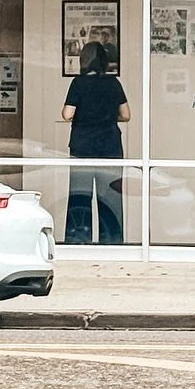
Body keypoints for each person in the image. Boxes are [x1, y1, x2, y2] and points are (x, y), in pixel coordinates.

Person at [61, 41, 129, 244]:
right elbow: (126, 115)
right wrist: (107, 116)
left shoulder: (79, 83)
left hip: (83, 146)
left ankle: (79, 239)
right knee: (110, 198)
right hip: (110, 146)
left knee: (80, 196)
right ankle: (112, 241)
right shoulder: (113, 83)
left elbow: (67, 114)